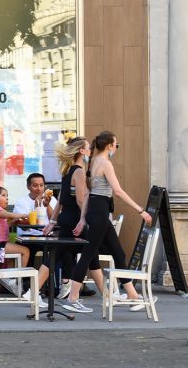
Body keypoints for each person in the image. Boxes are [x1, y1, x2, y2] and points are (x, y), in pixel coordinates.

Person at [61, 131, 153, 314]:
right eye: (116, 145)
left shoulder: (93, 161)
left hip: (96, 210)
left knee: (118, 252)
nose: (115, 148)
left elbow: (87, 194)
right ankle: (72, 297)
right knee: (88, 254)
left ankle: (133, 295)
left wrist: (82, 218)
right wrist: (140, 210)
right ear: (110, 145)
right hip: (100, 211)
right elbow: (117, 191)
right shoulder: (105, 163)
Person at [48, 137, 97, 299]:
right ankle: (109, 295)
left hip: (66, 219)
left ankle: (68, 285)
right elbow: (80, 200)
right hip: (75, 220)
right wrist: (86, 218)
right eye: (88, 147)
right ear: (81, 151)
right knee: (90, 255)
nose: (90, 151)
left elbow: (61, 201)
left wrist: (53, 221)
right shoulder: (79, 172)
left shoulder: (67, 172)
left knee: (63, 254)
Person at [0, 186, 34, 299]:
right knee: (25, 251)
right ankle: (16, 281)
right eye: (3, 196)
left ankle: (9, 281)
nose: (7, 199)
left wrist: (13, 222)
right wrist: (24, 215)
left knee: (16, 251)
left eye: (7, 196)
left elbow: (4, 225)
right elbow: (10, 215)